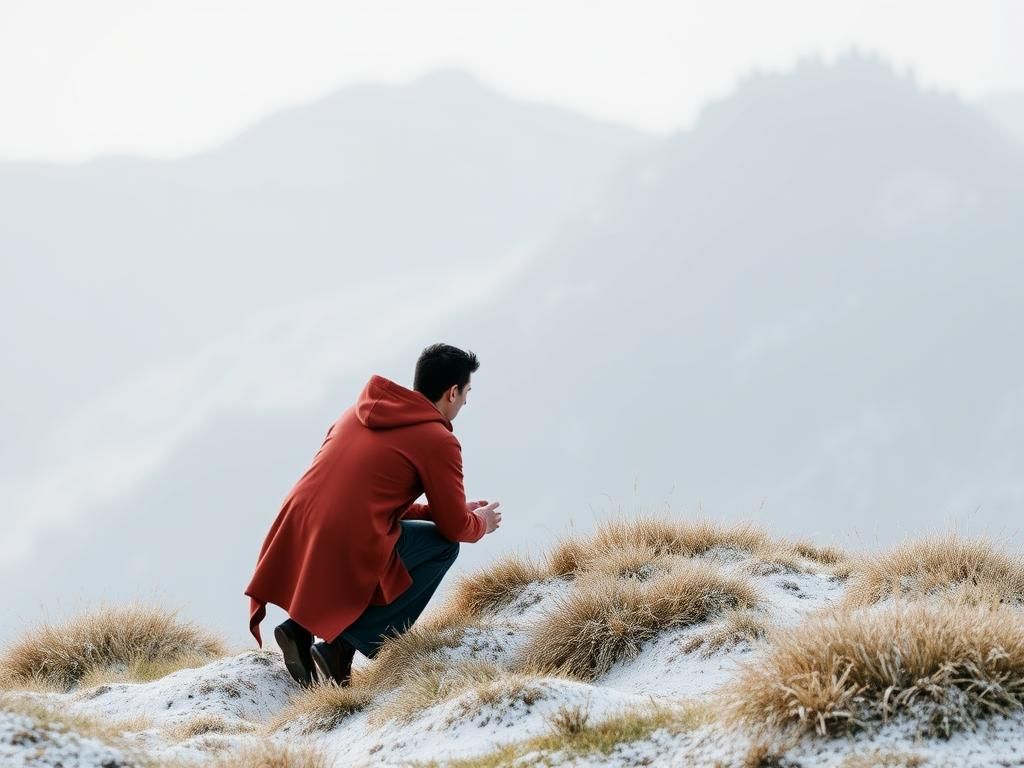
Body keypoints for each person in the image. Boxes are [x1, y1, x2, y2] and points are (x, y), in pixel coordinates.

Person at [244, 343, 501, 687]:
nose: (466, 402)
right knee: (443, 547)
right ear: (452, 392)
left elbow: (370, 497)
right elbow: (454, 527)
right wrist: (480, 522)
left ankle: (298, 629)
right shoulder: (438, 439)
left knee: (382, 534)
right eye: (467, 393)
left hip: (298, 523)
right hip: (344, 534)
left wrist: (438, 511)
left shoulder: (358, 410)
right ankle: (339, 648)